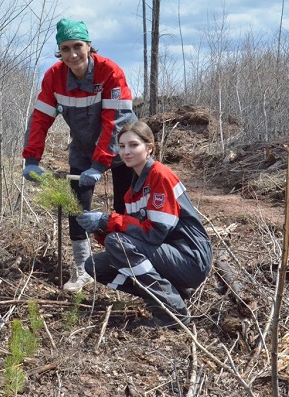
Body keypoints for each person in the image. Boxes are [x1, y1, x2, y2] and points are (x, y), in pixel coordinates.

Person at [22, 18, 137, 293]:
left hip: (122, 148)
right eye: (65, 48)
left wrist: (100, 163)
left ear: (89, 46)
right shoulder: (54, 77)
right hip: (83, 148)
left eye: (78, 46)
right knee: (77, 208)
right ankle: (82, 269)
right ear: (59, 51)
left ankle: (122, 262)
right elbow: (40, 119)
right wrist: (31, 160)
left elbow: (115, 121)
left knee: (124, 206)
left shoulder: (110, 72)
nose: (73, 54)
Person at [76, 121, 212, 329]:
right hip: (169, 256)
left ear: (149, 148)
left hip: (190, 258)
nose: (126, 151)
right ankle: (172, 293)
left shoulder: (160, 175)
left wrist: (106, 220)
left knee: (117, 243)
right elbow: (135, 235)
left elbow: (156, 232)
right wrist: (100, 230)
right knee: (96, 266)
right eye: (121, 146)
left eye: (133, 145)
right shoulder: (134, 189)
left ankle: (172, 312)